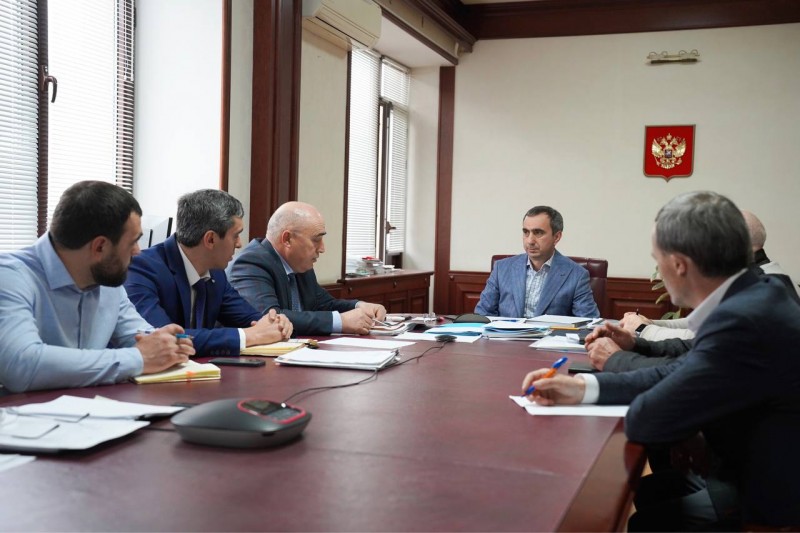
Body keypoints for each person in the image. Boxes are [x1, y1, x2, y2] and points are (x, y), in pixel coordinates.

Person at [521, 191, 800, 529]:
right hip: (746, 465)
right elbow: (682, 368)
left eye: (657, 260)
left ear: (679, 265)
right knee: (649, 492)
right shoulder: (758, 293)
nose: (657, 271)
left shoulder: (743, 320)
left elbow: (648, 420)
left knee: (644, 521)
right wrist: (582, 386)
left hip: (767, 495)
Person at [0, 181, 195, 393]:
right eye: (132, 242)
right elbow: (21, 365)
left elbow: (136, 335)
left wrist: (166, 343)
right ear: (100, 246)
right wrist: (138, 358)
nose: (138, 251)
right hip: (23, 410)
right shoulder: (10, 276)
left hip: (91, 406)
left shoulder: (106, 277)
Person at [125, 190, 292, 357]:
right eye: (236, 236)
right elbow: (161, 339)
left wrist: (275, 323)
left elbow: (252, 319)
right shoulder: (142, 268)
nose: (239, 244)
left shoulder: (215, 272)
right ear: (210, 239)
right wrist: (247, 336)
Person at [620, 209, 799, 341]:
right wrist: (651, 323)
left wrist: (642, 329)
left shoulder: (763, 287)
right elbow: (697, 322)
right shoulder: (756, 276)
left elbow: (701, 338)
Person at [228, 201, 386, 336]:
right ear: (287, 239)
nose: (322, 248)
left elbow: (323, 304)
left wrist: (360, 306)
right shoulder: (251, 264)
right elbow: (271, 319)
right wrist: (340, 321)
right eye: (316, 240)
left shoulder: (299, 264)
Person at [475, 206, 599, 318]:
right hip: (506, 336)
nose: (530, 241)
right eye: (526, 232)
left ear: (556, 237)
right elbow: (483, 314)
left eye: (538, 233)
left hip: (551, 336)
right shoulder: (501, 268)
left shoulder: (576, 275)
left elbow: (588, 322)